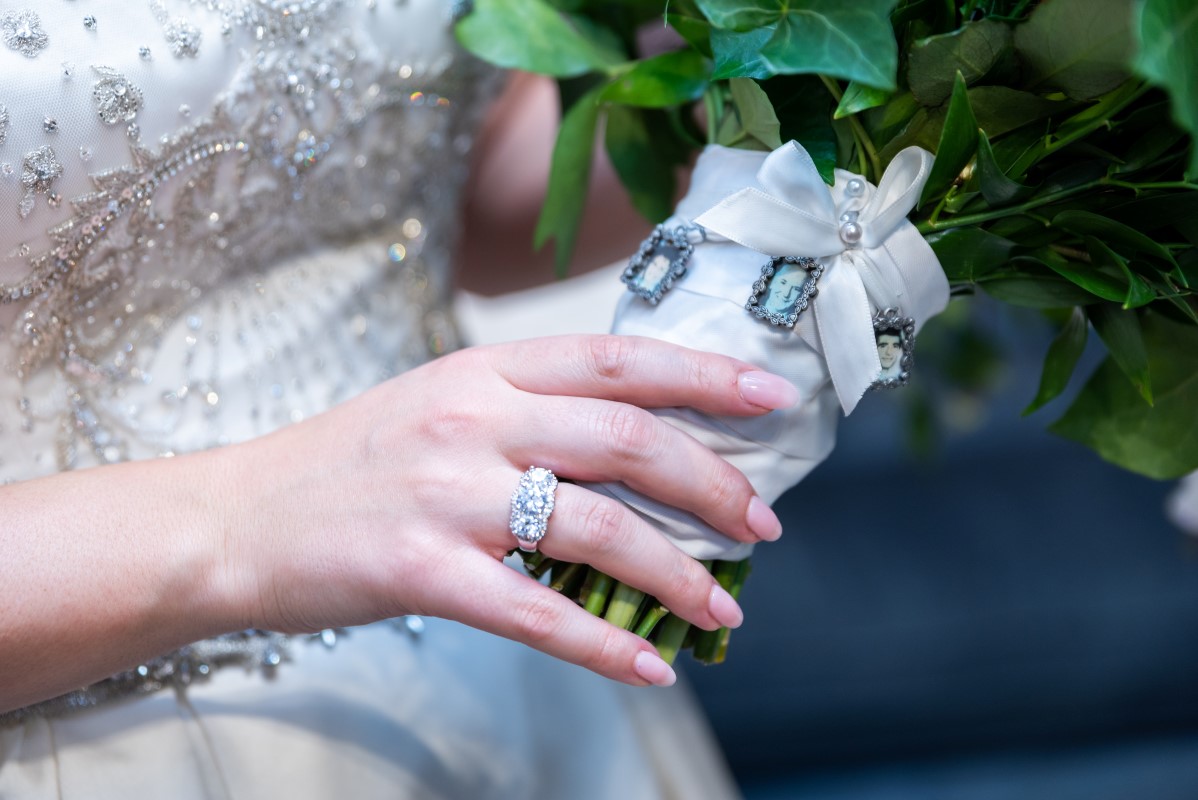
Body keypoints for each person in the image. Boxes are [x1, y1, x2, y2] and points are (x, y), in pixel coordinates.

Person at [0, 3, 790, 797]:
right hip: (122, 727)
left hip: (493, 665)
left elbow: (454, 182)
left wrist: (760, 73)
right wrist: (245, 519)